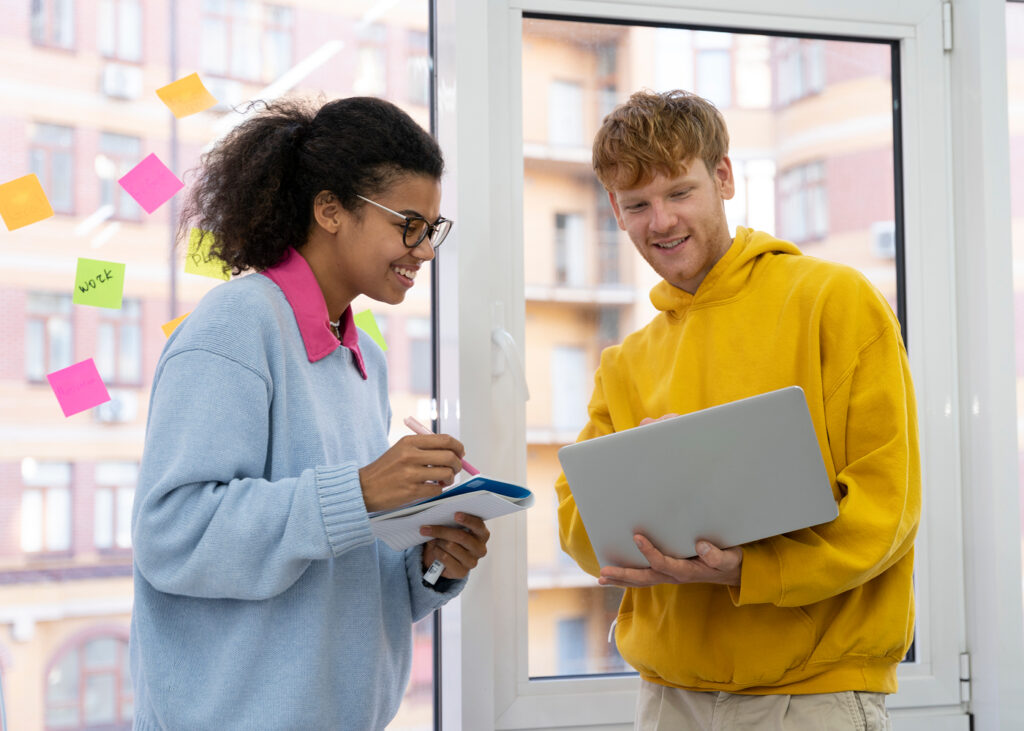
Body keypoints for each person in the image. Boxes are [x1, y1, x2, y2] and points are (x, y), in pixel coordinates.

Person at [555, 89, 919, 731]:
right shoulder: (627, 361)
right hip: (669, 699)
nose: (660, 221)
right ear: (616, 209)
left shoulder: (832, 302)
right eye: (637, 204)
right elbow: (580, 527)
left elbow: (887, 510)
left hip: (812, 698)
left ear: (723, 177)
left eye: (679, 192)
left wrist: (753, 567)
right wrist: (649, 474)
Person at [130, 96, 489, 730]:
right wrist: (357, 492)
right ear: (329, 210)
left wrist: (429, 562)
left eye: (432, 228)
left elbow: (335, 571)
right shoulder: (234, 330)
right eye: (408, 223)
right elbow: (172, 536)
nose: (423, 250)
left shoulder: (365, 361)